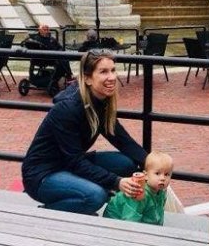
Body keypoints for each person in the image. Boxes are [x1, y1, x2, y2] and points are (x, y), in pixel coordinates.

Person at [21, 49, 148, 215]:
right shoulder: (68, 108)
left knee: (128, 164)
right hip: (42, 174)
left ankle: (79, 194)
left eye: (113, 70)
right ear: (87, 78)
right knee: (95, 196)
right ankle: (46, 214)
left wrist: (150, 162)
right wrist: (116, 182)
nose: (111, 77)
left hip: (68, 163)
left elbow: (121, 139)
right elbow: (76, 161)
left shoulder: (101, 100)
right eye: (103, 72)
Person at [103, 151, 173, 225]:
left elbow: (159, 212)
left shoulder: (161, 191)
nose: (163, 178)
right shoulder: (138, 193)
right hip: (114, 224)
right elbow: (131, 219)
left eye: (167, 174)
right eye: (157, 173)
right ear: (146, 175)